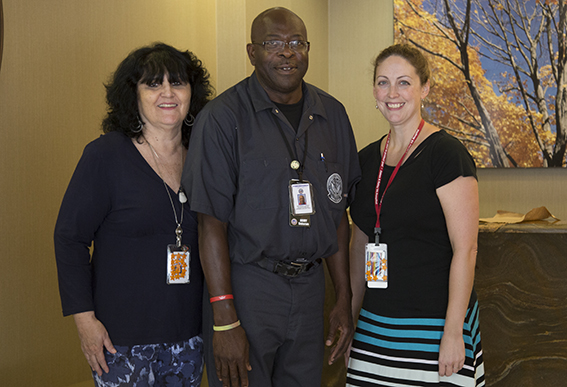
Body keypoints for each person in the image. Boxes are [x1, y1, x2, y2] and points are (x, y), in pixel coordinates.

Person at [181, 7, 361, 387]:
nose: (287, 52)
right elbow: (210, 225)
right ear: (252, 52)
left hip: (311, 290)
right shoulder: (222, 119)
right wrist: (224, 318)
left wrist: (342, 299)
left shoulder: (333, 115)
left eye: (297, 43)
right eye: (273, 44)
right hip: (249, 290)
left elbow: (336, 217)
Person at [54, 42, 212, 386]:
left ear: (191, 94)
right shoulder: (105, 155)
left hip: (189, 338)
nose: (167, 93)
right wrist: (85, 322)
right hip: (120, 341)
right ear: (134, 95)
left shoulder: (203, 158)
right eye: (153, 84)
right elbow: (70, 238)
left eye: (178, 83)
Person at [346, 44, 485, 386]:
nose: (392, 93)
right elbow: (360, 242)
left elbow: (466, 250)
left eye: (404, 83)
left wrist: (454, 332)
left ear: (424, 89)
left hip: (434, 325)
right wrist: (351, 320)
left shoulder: (447, 155)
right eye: (383, 82)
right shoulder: (364, 160)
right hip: (375, 327)